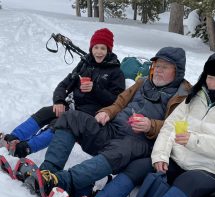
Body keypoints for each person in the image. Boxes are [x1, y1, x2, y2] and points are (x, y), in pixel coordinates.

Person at [49, 52, 215, 197]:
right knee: (138, 167)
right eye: (209, 77)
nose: (211, 83)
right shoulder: (194, 99)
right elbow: (170, 127)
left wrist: (194, 140)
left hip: (209, 169)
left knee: (186, 182)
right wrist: (161, 156)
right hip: (177, 159)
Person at [23, 47, 191, 197]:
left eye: (165, 67)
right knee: (72, 117)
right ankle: (47, 172)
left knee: (121, 149)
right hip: (113, 129)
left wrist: (151, 125)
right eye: (157, 65)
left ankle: (63, 182)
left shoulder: (184, 96)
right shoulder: (143, 82)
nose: (159, 71)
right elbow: (120, 102)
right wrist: (107, 112)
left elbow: (178, 128)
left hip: (140, 143)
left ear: (177, 71)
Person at [2, 28, 125, 158]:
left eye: (103, 48)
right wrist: (59, 101)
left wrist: (95, 89)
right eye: (96, 48)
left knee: (59, 123)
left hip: (90, 116)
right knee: (46, 112)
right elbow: (64, 84)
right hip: (73, 107)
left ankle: (25, 148)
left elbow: (116, 102)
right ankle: (12, 138)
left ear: (109, 50)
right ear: (91, 49)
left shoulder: (116, 72)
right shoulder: (85, 64)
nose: (99, 52)